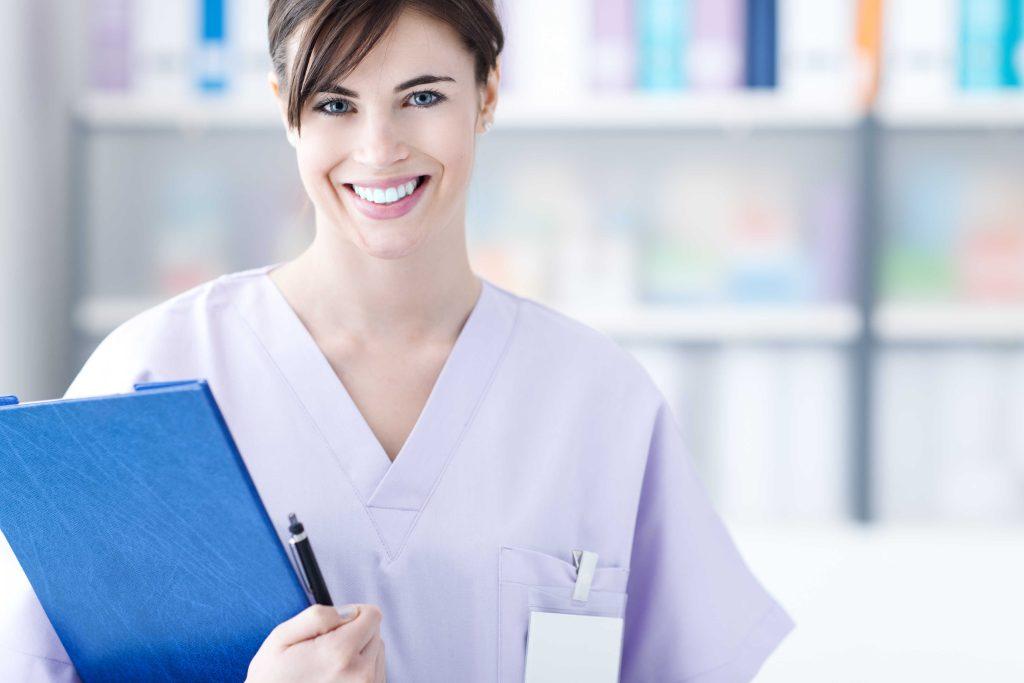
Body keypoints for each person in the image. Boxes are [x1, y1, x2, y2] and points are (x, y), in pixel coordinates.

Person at [0, 1, 794, 680]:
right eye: (336, 105)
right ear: (286, 110)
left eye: (421, 96)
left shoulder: (599, 401)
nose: (379, 148)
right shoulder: (148, 374)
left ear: (486, 95)